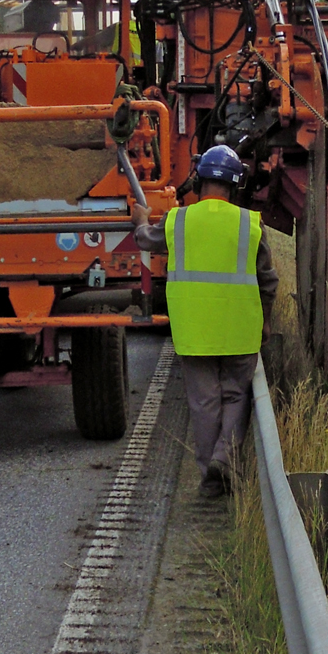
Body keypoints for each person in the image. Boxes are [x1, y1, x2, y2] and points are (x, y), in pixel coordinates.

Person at [133, 144, 278, 499]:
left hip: (194, 330)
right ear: (235, 186)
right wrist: (265, 321)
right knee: (235, 396)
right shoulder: (250, 224)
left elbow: (144, 239)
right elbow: (268, 281)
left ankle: (208, 475)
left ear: (198, 182)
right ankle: (224, 460)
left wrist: (139, 218)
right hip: (240, 330)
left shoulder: (178, 221)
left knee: (203, 402)